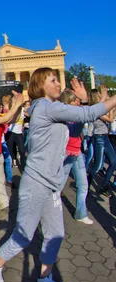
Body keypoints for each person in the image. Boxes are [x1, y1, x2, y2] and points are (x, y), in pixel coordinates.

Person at [0, 72, 116, 282]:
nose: (58, 83)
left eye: (58, 79)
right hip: (37, 181)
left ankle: (44, 279)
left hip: (51, 184)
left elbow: (78, 126)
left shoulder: (50, 108)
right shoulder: (45, 107)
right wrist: (95, 103)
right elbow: (90, 113)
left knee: (55, 233)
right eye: (53, 80)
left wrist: (84, 101)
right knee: (23, 236)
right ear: (40, 85)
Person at [59, 89, 93, 224]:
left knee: (83, 184)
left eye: (77, 100)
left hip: (77, 153)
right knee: (58, 185)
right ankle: (47, 213)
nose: (77, 102)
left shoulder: (75, 115)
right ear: (68, 103)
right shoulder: (64, 117)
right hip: (66, 154)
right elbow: (73, 132)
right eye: (75, 100)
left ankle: (80, 213)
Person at [87, 88, 116, 195]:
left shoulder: (100, 108)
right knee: (98, 165)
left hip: (105, 137)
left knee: (113, 162)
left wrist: (112, 108)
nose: (101, 95)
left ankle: (104, 186)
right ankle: (86, 185)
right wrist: (111, 109)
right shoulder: (95, 109)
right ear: (96, 96)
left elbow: (111, 117)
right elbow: (110, 119)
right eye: (99, 94)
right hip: (99, 137)